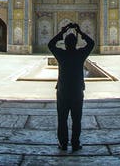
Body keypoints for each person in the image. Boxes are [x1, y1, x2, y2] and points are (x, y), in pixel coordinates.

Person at [47, 22, 94, 151]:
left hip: (62, 91)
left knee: (62, 119)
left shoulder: (61, 54)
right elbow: (91, 44)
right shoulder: (80, 54)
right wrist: (80, 32)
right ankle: (75, 143)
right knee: (76, 119)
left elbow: (50, 44)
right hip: (77, 91)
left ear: (65, 44)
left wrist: (62, 32)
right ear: (76, 43)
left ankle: (63, 144)